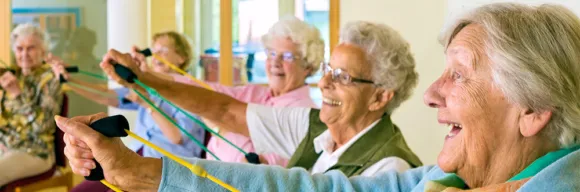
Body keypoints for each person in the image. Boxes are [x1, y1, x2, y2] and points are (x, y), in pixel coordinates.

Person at [60, 3, 580, 191]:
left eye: (460, 76)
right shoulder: (438, 180)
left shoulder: (392, 162)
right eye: (326, 70)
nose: (434, 95)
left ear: (532, 109)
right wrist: (142, 171)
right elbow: (227, 108)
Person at [76, 19, 423, 179]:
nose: (326, 83)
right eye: (330, 70)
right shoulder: (315, 125)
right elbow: (223, 107)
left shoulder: (390, 169)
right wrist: (144, 78)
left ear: (380, 97)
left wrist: (134, 171)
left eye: (343, 77)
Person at [157, 16, 324, 165]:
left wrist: (221, 125)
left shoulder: (305, 114)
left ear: (308, 66)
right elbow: (206, 90)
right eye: (271, 53)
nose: (275, 62)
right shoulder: (257, 94)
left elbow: (254, 166)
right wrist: (149, 76)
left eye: (287, 56)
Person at [57, 31, 207, 192]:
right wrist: (69, 81)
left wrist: (147, 102)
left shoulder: (192, 91)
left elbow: (176, 137)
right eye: (153, 50)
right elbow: (107, 96)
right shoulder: (148, 86)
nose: (156, 55)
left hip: (168, 171)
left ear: (181, 57)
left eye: (163, 50)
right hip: (135, 158)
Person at [0, 24, 63, 186]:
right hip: (5, 146)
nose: (24, 54)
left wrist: (18, 95)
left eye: (31, 48)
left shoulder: (51, 80)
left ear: (43, 51)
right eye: (20, 48)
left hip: (35, 152)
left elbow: (43, 126)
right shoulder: (11, 75)